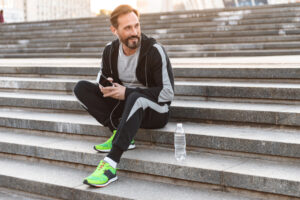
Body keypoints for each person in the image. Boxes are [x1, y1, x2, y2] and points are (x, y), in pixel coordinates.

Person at [73, 4, 174, 187]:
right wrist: (106, 86)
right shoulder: (109, 51)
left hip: (155, 111)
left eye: (136, 25)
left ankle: (110, 164)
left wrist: (127, 92)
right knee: (81, 88)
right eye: (128, 28)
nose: (134, 31)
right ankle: (120, 132)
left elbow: (167, 93)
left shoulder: (154, 50)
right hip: (125, 106)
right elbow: (102, 76)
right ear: (114, 30)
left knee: (136, 98)